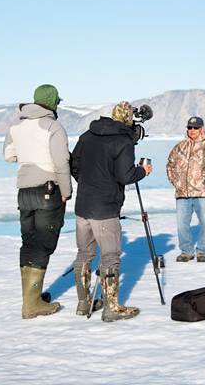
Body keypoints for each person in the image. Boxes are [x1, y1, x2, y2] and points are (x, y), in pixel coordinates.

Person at [71, 101, 152, 322]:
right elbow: (125, 176)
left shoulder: (88, 135)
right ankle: (111, 308)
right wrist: (142, 171)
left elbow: (74, 164)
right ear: (128, 119)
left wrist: (88, 183)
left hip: (83, 206)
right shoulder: (123, 141)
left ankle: (83, 302)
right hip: (105, 209)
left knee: (84, 254)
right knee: (110, 257)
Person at [3, 84, 71, 319]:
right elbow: (62, 162)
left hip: (24, 191)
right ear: (52, 103)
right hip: (48, 190)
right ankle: (32, 305)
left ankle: (31, 299)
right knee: (43, 243)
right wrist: (66, 191)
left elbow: (9, 155)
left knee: (29, 241)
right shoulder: (53, 127)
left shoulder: (16, 126)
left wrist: (29, 156)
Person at [167, 115, 205, 262]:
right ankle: (187, 251)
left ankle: (202, 251)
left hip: (203, 193)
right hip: (182, 193)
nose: (192, 130)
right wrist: (176, 181)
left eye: (195, 127)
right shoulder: (180, 147)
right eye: (190, 127)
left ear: (201, 129)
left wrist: (203, 178)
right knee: (182, 224)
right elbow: (170, 165)